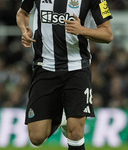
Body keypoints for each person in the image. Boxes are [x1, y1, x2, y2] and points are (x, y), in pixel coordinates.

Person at [16, 0, 113, 149]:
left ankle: (69, 120)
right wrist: (25, 29)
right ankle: (61, 117)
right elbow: (22, 13)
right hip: (45, 68)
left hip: (77, 69)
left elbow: (107, 34)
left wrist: (82, 30)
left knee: (75, 132)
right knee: (36, 137)